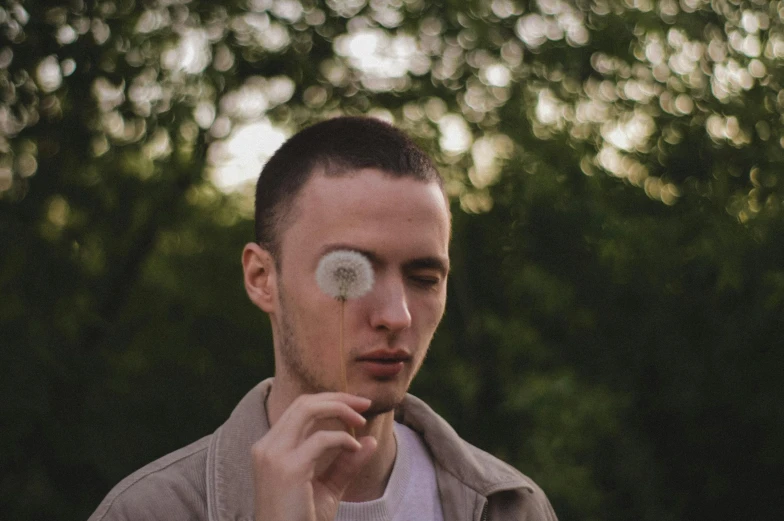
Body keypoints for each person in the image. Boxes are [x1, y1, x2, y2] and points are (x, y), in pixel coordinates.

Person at [88, 117, 558, 521]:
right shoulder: (151, 511)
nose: (396, 315)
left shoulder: (509, 508)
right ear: (261, 278)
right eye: (350, 272)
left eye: (424, 277)